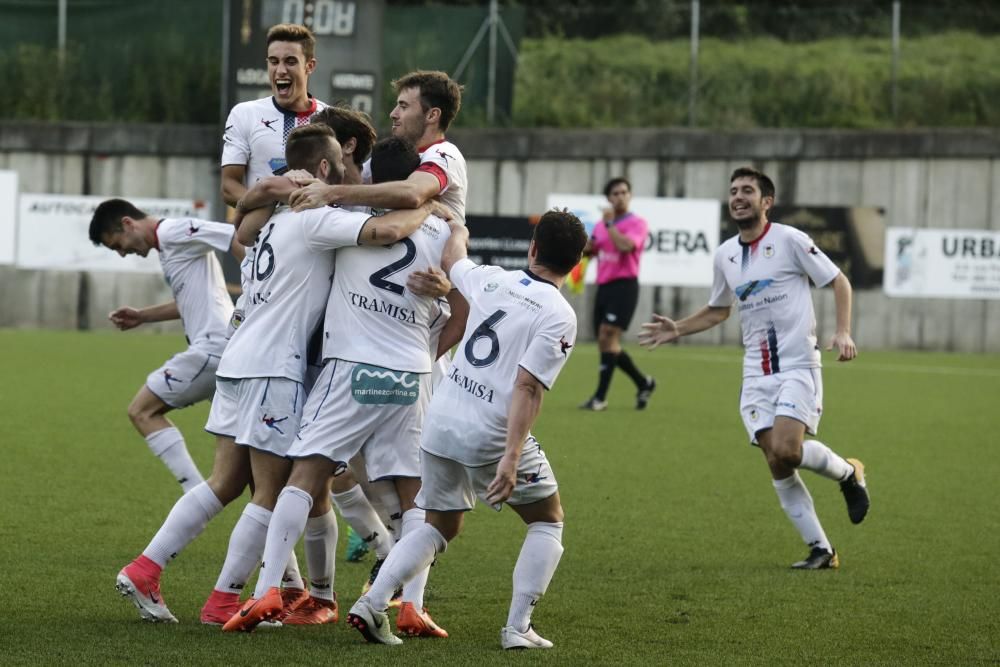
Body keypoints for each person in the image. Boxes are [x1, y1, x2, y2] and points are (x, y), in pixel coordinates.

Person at [201, 125, 445, 627]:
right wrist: (431, 210)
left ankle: (270, 589)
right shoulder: (446, 231)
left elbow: (381, 231)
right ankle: (409, 605)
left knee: (306, 478)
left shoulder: (332, 221)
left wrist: (267, 192)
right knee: (411, 495)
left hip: (347, 369)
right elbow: (458, 298)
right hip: (412, 375)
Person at [347, 209, 588, 650]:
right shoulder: (559, 313)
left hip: (440, 420)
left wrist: (454, 222)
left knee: (440, 524)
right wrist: (512, 457)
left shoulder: (491, 278)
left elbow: (454, 254)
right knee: (547, 521)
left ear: (532, 249)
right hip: (488, 434)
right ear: (576, 264)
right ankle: (518, 628)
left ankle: (374, 601)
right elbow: (527, 387)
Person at [638, 167, 870, 570]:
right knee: (776, 460)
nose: (738, 196)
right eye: (733, 191)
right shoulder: (724, 255)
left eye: (748, 190)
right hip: (755, 373)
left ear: (767, 202)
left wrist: (844, 331)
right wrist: (678, 328)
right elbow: (718, 310)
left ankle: (849, 473)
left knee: (788, 449)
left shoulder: (790, 240)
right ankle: (821, 549)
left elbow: (839, 281)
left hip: (798, 365)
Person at [220, 21, 327, 605]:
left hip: (317, 283)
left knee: (305, 461)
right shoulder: (245, 115)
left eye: (290, 60)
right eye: (272, 61)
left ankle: (300, 584)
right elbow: (231, 187)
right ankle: (295, 586)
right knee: (276, 468)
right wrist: (277, 193)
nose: (280, 70)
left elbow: (351, 182)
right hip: (268, 280)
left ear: (311, 64)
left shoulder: (331, 120)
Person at [88, 199, 239, 495]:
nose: (121, 253)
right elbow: (191, 300)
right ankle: (296, 538)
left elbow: (234, 236)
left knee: (142, 411)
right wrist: (143, 316)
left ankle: (194, 496)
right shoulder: (169, 244)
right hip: (226, 350)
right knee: (250, 464)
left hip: (213, 349)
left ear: (128, 224)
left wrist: (263, 283)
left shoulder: (174, 232)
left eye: (117, 244)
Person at [288, 69, 468, 221]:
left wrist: (328, 192)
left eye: (403, 106)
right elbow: (353, 186)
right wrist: (297, 179)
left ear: (432, 115)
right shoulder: (383, 159)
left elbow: (413, 193)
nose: (393, 114)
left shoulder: (445, 154)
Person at [579, 177, 656, 411]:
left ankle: (600, 398)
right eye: (615, 193)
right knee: (606, 341)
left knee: (607, 336)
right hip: (604, 287)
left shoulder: (637, 223)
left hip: (625, 286)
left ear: (629, 195)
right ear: (608, 198)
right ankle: (644, 383)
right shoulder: (601, 226)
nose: (620, 196)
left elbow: (625, 246)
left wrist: (611, 225)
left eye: (624, 192)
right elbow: (589, 250)